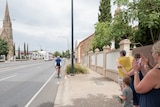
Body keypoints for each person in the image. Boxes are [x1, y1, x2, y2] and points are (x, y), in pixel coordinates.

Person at [133, 40, 160, 107]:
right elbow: (149, 80)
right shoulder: (155, 72)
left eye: (152, 52)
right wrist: (143, 67)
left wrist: (136, 71)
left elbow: (138, 88)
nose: (152, 54)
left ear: (158, 53)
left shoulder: (155, 73)